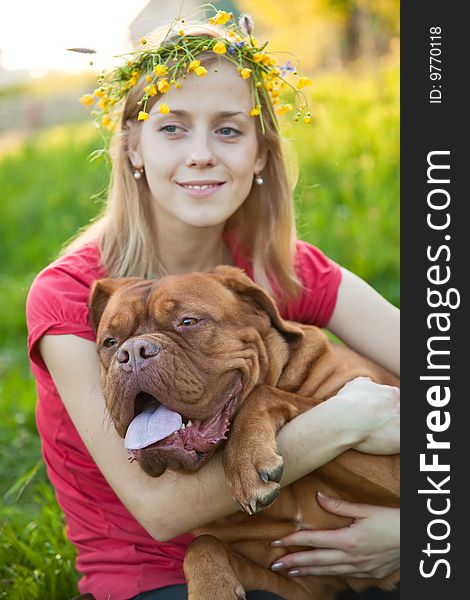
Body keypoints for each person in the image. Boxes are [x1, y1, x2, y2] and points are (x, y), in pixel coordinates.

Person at [26, 10, 400, 600]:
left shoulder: (280, 266)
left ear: (259, 156)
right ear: (133, 148)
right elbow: (160, 510)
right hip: (157, 575)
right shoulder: (69, 294)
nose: (201, 153)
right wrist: (353, 417)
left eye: (228, 130)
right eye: (172, 128)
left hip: (325, 552)